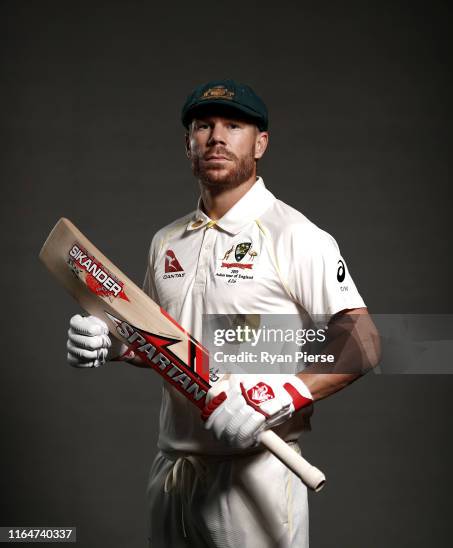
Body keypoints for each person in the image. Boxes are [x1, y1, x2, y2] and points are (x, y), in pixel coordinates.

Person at [66, 80, 380, 547]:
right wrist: (112, 341)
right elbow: (160, 340)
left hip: (256, 475)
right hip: (174, 474)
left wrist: (282, 394)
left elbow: (364, 342)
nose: (216, 137)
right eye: (203, 126)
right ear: (187, 143)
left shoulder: (294, 235)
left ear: (261, 142)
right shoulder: (166, 241)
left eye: (234, 126)